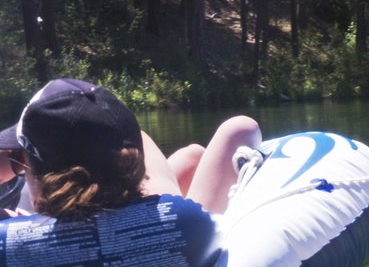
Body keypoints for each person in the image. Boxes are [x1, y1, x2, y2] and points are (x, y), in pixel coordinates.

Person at [0, 78, 261, 218]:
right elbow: (241, 128)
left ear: (45, 177)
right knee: (194, 154)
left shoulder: (12, 239)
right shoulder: (185, 222)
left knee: (189, 156)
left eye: (20, 161)